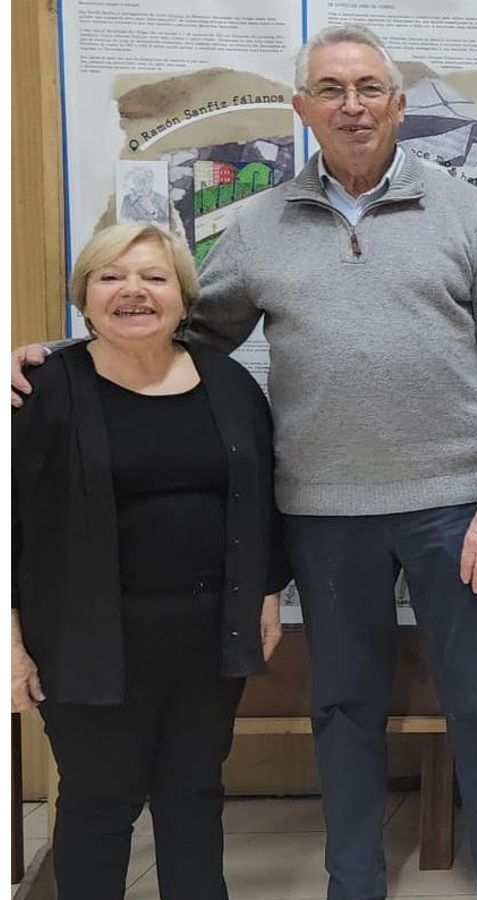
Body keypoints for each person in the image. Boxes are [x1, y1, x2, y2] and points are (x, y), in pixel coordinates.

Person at [14, 24, 477, 900]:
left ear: (399, 105)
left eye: (369, 87)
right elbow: (168, 332)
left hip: (456, 510)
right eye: (331, 89)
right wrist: (50, 356)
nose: (351, 104)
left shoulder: (466, 214)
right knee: (343, 714)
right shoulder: (261, 223)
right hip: (322, 513)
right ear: (301, 109)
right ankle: (354, 885)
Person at [12, 223, 287, 899]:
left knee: (194, 793)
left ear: (184, 298)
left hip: (207, 633)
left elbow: (260, 502)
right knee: (101, 800)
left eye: (154, 278)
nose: (133, 291)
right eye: (112, 277)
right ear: (84, 296)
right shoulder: (40, 392)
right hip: (85, 636)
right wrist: (9, 636)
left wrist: (265, 595)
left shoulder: (229, 385)